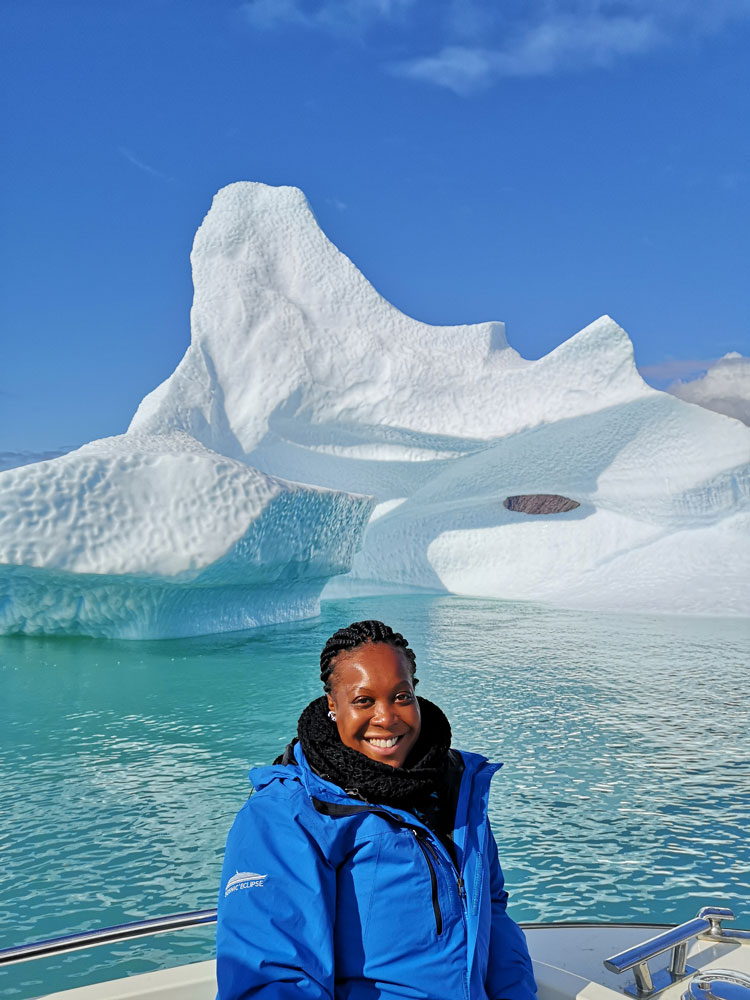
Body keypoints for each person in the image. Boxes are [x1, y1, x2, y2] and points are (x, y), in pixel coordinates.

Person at [216, 619, 537, 1000]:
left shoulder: (455, 787)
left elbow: (493, 913)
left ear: (416, 692)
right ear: (333, 706)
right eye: (363, 701)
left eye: (400, 696)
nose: (386, 718)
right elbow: (274, 978)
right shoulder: (288, 814)